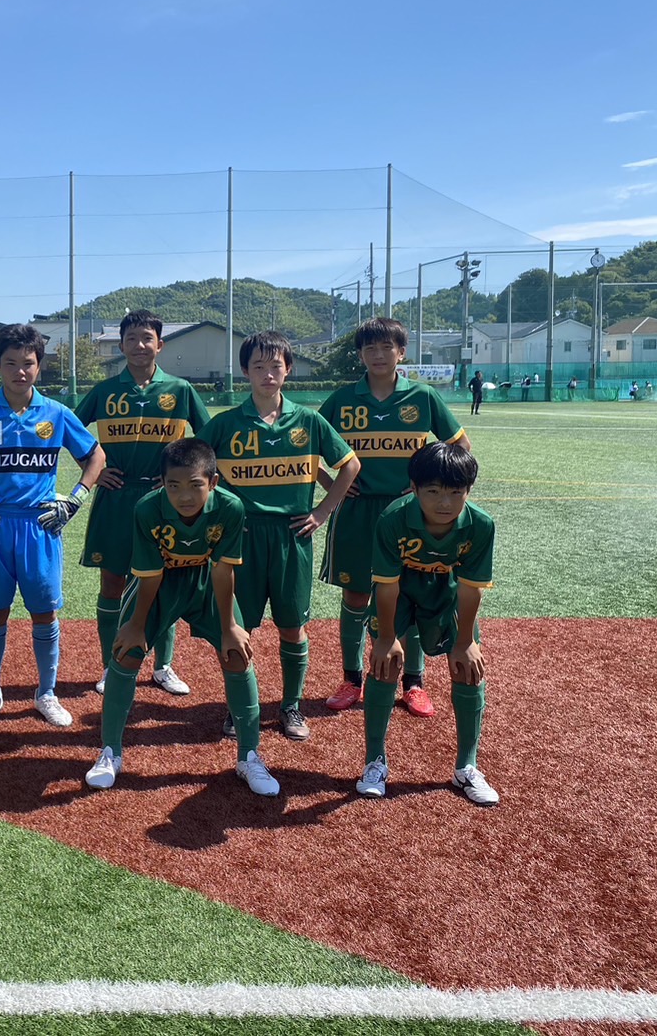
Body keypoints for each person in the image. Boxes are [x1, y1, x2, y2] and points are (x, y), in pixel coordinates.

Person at [0, 323, 107, 728]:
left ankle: (46, 693)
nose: (19, 371)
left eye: (27, 363)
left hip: (40, 526)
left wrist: (75, 499)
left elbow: (95, 456)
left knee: (44, 613)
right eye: (10, 363)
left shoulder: (56, 413)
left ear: (39, 366)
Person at [85, 438, 279, 797]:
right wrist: (136, 626)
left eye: (195, 485)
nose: (184, 496)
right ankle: (110, 752)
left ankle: (249, 756)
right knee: (125, 654)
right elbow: (150, 574)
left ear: (213, 482)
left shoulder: (231, 507)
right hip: (160, 583)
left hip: (206, 580)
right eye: (173, 486)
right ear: (162, 483)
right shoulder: (147, 508)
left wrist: (229, 627)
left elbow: (223, 570)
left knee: (237, 654)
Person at [198, 331, 360, 742]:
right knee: (238, 627)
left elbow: (350, 465)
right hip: (242, 538)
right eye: (258, 366)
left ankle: (291, 705)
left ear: (288, 370)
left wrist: (323, 511)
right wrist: (217, 515)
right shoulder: (226, 424)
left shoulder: (308, 420)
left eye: (276, 366)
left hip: (292, 537)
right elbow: (195, 468)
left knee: (292, 627)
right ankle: (240, 706)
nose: (267, 374)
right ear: (245, 371)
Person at [319, 318, 470, 719]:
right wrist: (331, 484)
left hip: (408, 513)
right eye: (370, 348)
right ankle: (352, 679)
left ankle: (414, 682)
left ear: (402, 353)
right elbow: (306, 445)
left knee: (410, 594)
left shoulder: (422, 397)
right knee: (356, 596)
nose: (378, 355)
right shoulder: (342, 399)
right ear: (359, 355)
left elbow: (461, 448)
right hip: (357, 511)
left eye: (387, 347)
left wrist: (425, 487)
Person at [73, 309, 210, 698]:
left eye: (147, 338)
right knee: (113, 582)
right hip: (116, 498)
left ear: (160, 344)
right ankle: (110, 664)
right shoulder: (105, 391)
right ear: (121, 345)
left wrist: (184, 480)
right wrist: (93, 471)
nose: (139, 345)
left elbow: (208, 439)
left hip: (163, 501)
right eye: (131, 338)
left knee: (162, 582)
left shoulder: (180, 390)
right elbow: (69, 431)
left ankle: (163, 666)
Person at [357, 442, 498, 806]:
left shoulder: (481, 525)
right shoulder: (392, 519)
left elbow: (470, 588)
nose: (444, 503)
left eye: (456, 492)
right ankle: (375, 761)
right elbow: (386, 585)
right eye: (433, 492)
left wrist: (465, 641)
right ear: (414, 488)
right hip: (400, 590)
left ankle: (466, 766)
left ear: (468, 491)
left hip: (446, 591)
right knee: (385, 663)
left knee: (469, 668)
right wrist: (386, 637)